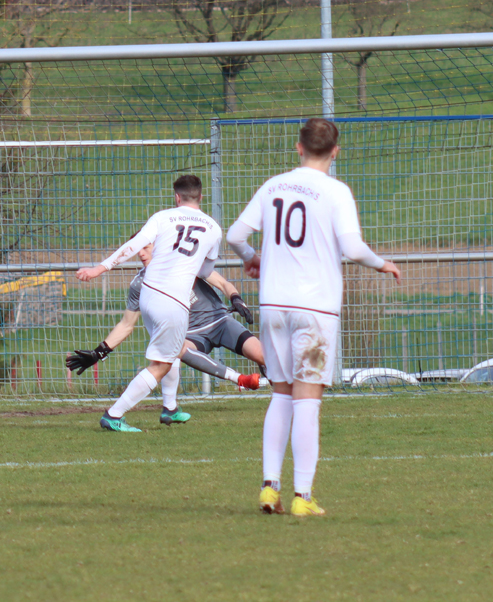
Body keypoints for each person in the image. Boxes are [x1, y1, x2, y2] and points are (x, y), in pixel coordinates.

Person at [226, 118, 401, 516]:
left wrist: (252, 258)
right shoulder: (336, 191)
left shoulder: (274, 185)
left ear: (298, 147)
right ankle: (303, 496)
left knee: (280, 393)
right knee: (308, 400)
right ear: (335, 151)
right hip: (316, 311)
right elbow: (353, 249)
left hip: (273, 307)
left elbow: (235, 234)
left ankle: (270, 488)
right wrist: (382, 263)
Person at [76, 174, 222, 432]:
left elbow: (135, 244)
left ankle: (171, 408)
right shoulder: (213, 228)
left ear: (176, 197)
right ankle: (114, 415)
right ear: (201, 196)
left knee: (171, 351)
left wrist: (101, 268)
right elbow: (205, 268)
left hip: (148, 292)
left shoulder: (163, 216)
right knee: (162, 364)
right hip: (173, 300)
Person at [67, 241, 268, 426]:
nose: (142, 254)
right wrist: (98, 353)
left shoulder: (184, 261)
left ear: (159, 244)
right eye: (139, 250)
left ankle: (286, 393)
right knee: (174, 349)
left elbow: (223, 283)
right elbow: (126, 325)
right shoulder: (140, 284)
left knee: (264, 357)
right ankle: (238, 379)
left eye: (146, 247)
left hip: (221, 322)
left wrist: (236, 298)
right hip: (191, 335)